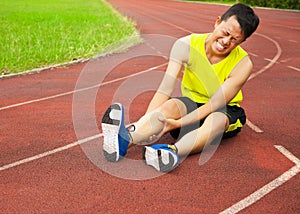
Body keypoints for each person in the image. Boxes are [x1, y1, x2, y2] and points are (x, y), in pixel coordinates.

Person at [101, 3, 260, 172]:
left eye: (235, 39)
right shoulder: (186, 45)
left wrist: (177, 123)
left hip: (223, 110)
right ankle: (124, 140)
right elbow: (165, 90)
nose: (226, 41)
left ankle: (171, 152)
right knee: (169, 106)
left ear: (243, 41)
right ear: (217, 22)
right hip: (191, 104)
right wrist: (145, 123)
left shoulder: (243, 64)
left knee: (217, 119)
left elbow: (214, 105)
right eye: (226, 33)